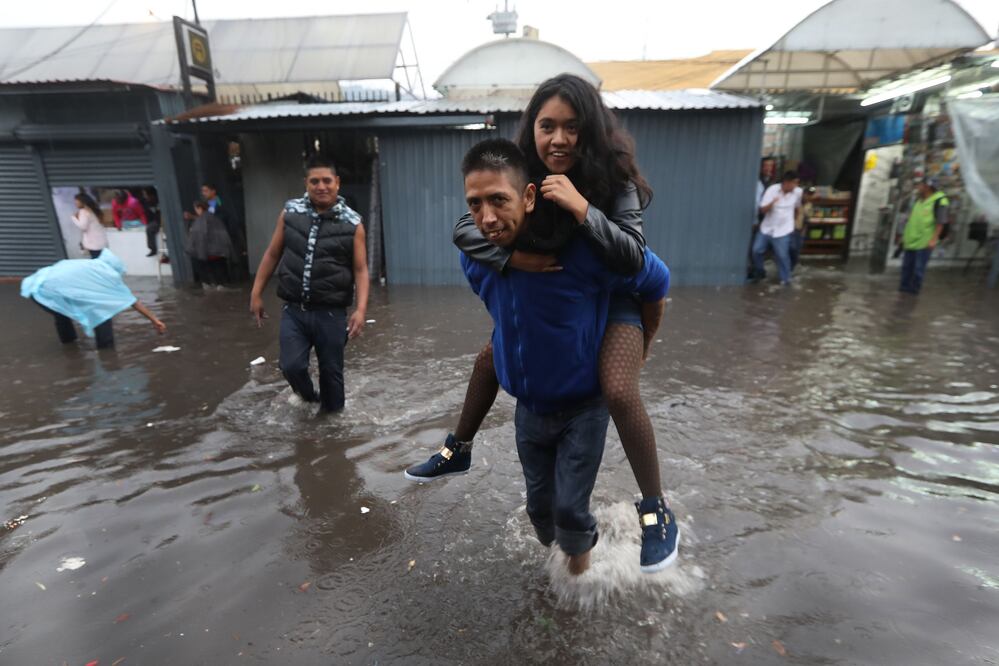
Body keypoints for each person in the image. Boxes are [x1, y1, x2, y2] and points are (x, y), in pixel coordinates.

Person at [406, 73, 679, 573]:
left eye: (571, 127)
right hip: (542, 288)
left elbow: (641, 265)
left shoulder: (612, 178)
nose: (557, 139)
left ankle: (656, 509)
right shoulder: (515, 178)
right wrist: (509, 260)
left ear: (589, 129)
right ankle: (457, 448)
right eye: (546, 126)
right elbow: (469, 223)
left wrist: (583, 209)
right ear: (530, 129)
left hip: (613, 283)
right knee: (493, 355)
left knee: (617, 390)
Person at [454, 138, 672, 575]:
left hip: (581, 406)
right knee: (540, 512)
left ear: (529, 195)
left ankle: (577, 583)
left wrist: (643, 337)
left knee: (571, 510)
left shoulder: (584, 251)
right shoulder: (478, 258)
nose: (488, 217)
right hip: (530, 408)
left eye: (499, 200)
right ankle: (564, 557)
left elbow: (655, 280)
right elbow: (502, 315)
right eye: (475, 204)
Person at [249, 154, 370, 414]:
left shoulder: (353, 223)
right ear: (306, 183)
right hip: (294, 310)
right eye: (315, 181)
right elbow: (272, 253)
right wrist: (256, 292)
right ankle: (308, 397)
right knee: (291, 366)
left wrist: (360, 310)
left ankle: (332, 428)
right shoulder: (290, 213)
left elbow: (360, 269)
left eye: (327, 180)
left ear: (337, 183)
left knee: (331, 373)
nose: (321, 186)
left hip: (331, 314)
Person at [20, 249, 166, 349]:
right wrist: (155, 320)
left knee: (62, 315)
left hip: (36, 287)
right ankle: (106, 350)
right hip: (48, 291)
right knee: (102, 313)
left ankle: (69, 345)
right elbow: (132, 301)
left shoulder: (90, 265)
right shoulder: (107, 276)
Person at [899, 178, 949, 295]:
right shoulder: (919, 200)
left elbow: (941, 223)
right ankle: (903, 291)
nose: (918, 187)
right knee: (906, 267)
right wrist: (903, 236)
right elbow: (912, 220)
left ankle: (913, 294)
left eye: (920, 185)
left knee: (918, 270)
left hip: (924, 241)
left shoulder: (940, 201)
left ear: (927, 187)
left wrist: (933, 239)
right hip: (911, 239)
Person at [752, 171, 802, 285]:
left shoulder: (797, 192)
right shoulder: (772, 190)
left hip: (784, 230)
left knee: (782, 255)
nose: (796, 186)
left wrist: (794, 223)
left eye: (797, 183)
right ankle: (761, 273)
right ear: (786, 183)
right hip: (767, 228)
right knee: (756, 250)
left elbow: (797, 207)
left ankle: (785, 280)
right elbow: (762, 210)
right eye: (794, 183)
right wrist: (772, 203)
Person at [185, 199, 235, 287]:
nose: (195, 211)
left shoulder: (199, 221)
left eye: (195, 209)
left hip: (208, 254)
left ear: (199, 208)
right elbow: (224, 235)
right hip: (220, 253)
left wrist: (198, 254)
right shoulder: (215, 218)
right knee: (222, 280)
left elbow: (199, 239)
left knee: (209, 281)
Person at [71, 193, 108, 259]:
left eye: (76, 200)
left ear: (82, 201)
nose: (75, 203)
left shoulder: (83, 211)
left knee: (97, 264)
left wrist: (74, 218)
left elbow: (83, 226)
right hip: (102, 242)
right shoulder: (94, 210)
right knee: (102, 262)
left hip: (94, 244)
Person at [789, 186, 815, 271]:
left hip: (800, 231)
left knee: (797, 251)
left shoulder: (809, 205)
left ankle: (791, 269)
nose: (809, 196)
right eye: (808, 194)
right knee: (791, 248)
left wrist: (804, 231)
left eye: (811, 195)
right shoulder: (795, 202)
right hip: (791, 229)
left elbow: (807, 219)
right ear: (803, 194)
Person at [140, 188, 162, 257]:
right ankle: (152, 248)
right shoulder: (146, 202)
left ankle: (153, 249)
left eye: (147, 195)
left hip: (160, 221)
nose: (146, 197)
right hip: (152, 221)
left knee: (149, 228)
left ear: (152, 195)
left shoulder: (160, 201)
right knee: (149, 227)